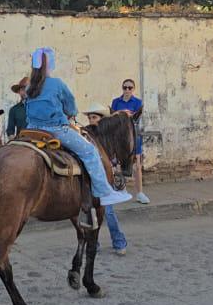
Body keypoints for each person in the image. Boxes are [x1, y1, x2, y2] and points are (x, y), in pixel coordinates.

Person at [24, 47, 133, 217]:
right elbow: (70, 105)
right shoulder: (57, 83)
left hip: (30, 131)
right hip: (55, 130)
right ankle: (104, 192)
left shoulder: (30, 86)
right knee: (90, 151)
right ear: (49, 65)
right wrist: (71, 113)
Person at [83, 104, 128, 256]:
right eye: (89, 118)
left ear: (102, 120)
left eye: (94, 117)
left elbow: (114, 160)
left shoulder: (108, 139)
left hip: (105, 181)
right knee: (91, 214)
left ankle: (118, 241)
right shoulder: (87, 137)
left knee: (108, 213)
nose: (91, 120)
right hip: (91, 181)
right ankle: (94, 243)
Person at [111, 78, 150, 204]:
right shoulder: (116, 101)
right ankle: (122, 190)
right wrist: (122, 112)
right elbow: (112, 117)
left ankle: (139, 193)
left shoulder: (137, 102)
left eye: (129, 88)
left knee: (137, 165)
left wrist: (127, 115)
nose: (127, 90)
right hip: (119, 137)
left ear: (133, 89)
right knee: (118, 165)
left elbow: (136, 118)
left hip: (133, 136)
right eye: (125, 87)